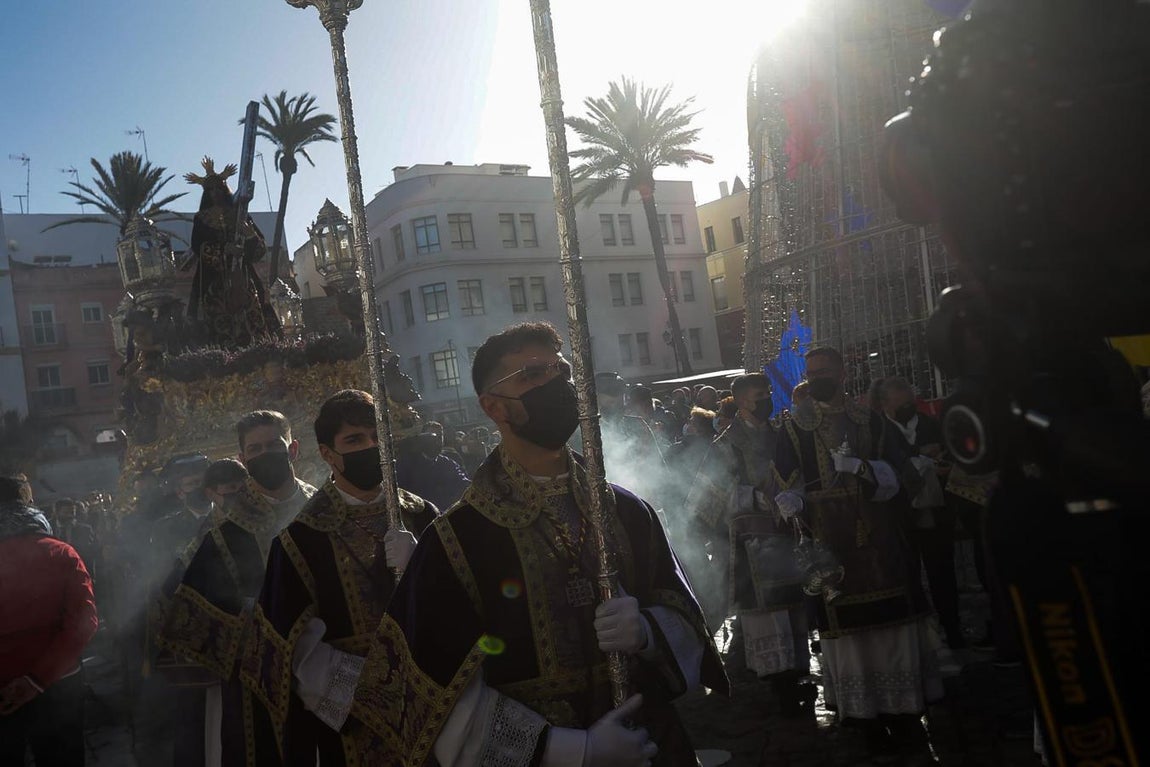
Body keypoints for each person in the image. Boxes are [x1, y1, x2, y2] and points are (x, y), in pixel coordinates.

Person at [352, 321, 728, 766]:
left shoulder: (626, 510)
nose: (556, 385)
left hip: (648, 743)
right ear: (494, 407)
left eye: (561, 371)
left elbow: (688, 618)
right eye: (532, 375)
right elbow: (435, 694)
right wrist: (573, 751)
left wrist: (649, 630)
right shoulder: (456, 540)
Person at [241, 390, 438, 765]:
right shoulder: (301, 538)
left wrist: (424, 568)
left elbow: (459, 609)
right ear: (328, 454)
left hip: (431, 705)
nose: (371, 447)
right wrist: (380, 693)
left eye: (378, 436)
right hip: (353, 718)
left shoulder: (421, 514)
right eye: (355, 440)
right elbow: (295, 650)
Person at [773, 348, 942, 760]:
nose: (817, 379)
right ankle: (863, 717)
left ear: (844, 373)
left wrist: (864, 470)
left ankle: (903, 713)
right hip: (831, 544)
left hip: (880, 537)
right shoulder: (794, 427)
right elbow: (785, 478)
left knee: (893, 625)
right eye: (812, 374)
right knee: (847, 632)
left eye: (825, 372)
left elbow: (905, 473)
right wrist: (790, 500)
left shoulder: (871, 420)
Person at [159, 410, 316, 766]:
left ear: (292, 449)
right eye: (255, 449)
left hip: (329, 668)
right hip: (256, 682)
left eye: (273, 445)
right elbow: (190, 614)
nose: (264, 455)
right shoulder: (222, 527)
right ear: (243, 460)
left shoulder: (321, 506)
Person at [0, 475, 99, 767]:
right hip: (59, 686)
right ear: (29, 504)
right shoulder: (61, 552)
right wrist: (35, 680)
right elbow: (85, 621)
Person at [878, 377, 966, 650]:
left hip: (937, 512)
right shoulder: (878, 431)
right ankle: (918, 636)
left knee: (942, 572)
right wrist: (918, 456)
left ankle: (953, 630)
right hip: (900, 516)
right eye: (900, 404)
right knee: (907, 575)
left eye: (910, 403)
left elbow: (952, 453)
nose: (907, 408)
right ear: (885, 405)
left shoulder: (929, 425)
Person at [182, 157, 281, 347]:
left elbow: (258, 251)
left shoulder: (239, 215)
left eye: (219, 188)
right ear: (206, 193)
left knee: (255, 313)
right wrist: (223, 250)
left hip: (242, 277)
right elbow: (198, 246)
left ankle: (263, 350)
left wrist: (251, 236)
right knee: (217, 324)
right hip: (212, 279)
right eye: (211, 190)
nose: (215, 193)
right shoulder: (201, 219)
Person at [395, 421, 471, 511]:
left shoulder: (448, 463)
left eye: (440, 437)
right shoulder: (406, 463)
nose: (436, 441)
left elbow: (464, 484)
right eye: (432, 437)